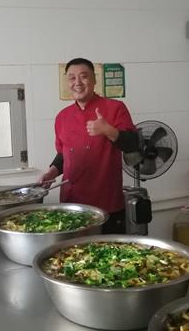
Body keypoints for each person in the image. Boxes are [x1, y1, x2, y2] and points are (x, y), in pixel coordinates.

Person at [38, 58, 138, 233]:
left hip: (107, 204)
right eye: (72, 78)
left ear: (94, 80)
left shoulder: (115, 107)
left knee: (109, 250)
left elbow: (133, 144)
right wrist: (51, 172)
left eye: (84, 76)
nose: (77, 82)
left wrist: (108, 130)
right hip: (72, 205)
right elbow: (64, 154)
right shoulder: (62, 117)